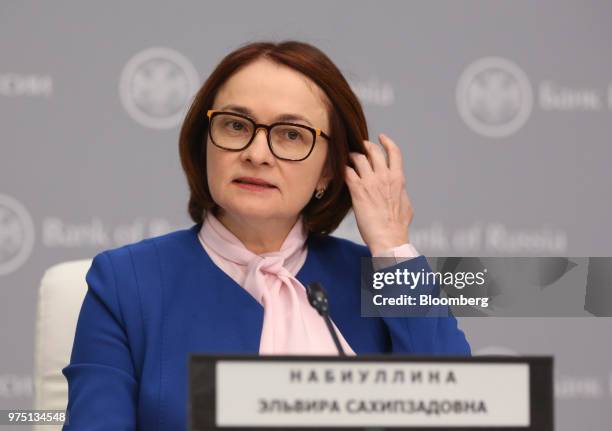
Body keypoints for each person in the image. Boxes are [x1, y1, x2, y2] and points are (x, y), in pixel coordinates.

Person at [62, 40, 470, 430]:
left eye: (291, 134)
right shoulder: (125, 282)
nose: (257, 153)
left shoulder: (376, 278)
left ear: (329, 169)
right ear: (205, 142)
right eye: (236, 125)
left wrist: (391, 243)